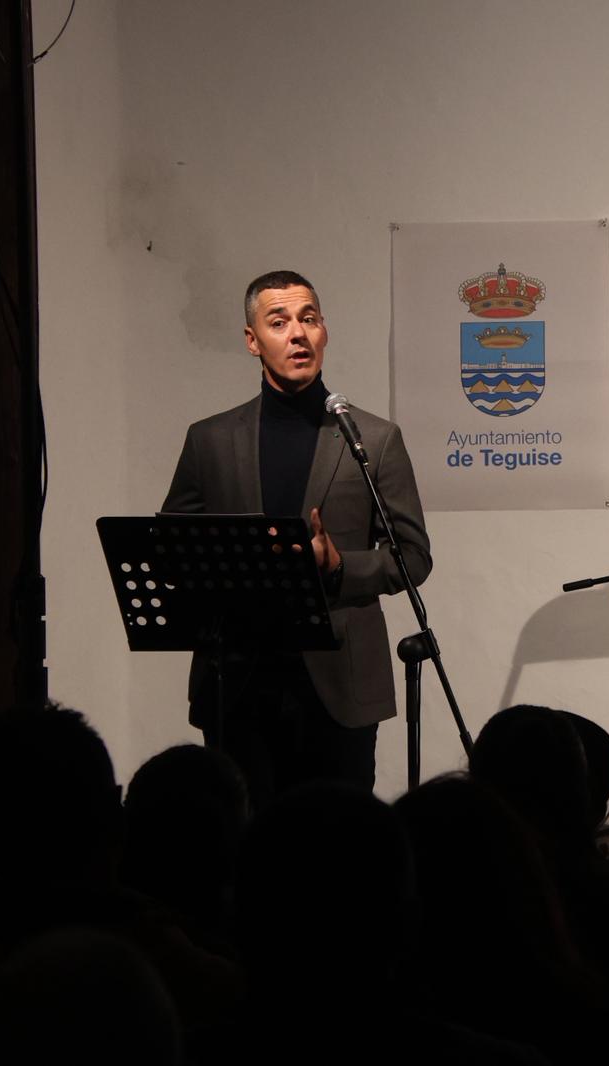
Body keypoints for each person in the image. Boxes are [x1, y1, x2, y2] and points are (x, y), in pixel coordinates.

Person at [162, 270, 431, 805]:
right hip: (238, 682)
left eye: (309, 319)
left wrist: (338, 567)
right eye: (278, 321)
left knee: (336, 851)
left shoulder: (374, 439)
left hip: (338, 682)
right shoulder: (209, 440)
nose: (297, 334)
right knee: (246, 852)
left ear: (325, 331)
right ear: (252, 340)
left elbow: (413, 557)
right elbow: (172, 546)